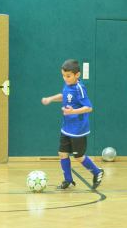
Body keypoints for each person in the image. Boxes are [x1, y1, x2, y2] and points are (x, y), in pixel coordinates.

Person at [41, 59, 105, 190]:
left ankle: (97, 172)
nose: (65, 78)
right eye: (63, 76)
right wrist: (51, 99)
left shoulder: (79, 88)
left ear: (77, 75)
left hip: (78, 129)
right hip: (67, 127)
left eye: (68, 76)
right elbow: (64, 96)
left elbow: (89, 107)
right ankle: (68, 180)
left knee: (78, 156)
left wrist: (72, 112)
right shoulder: (68, 85)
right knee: (62, 153)